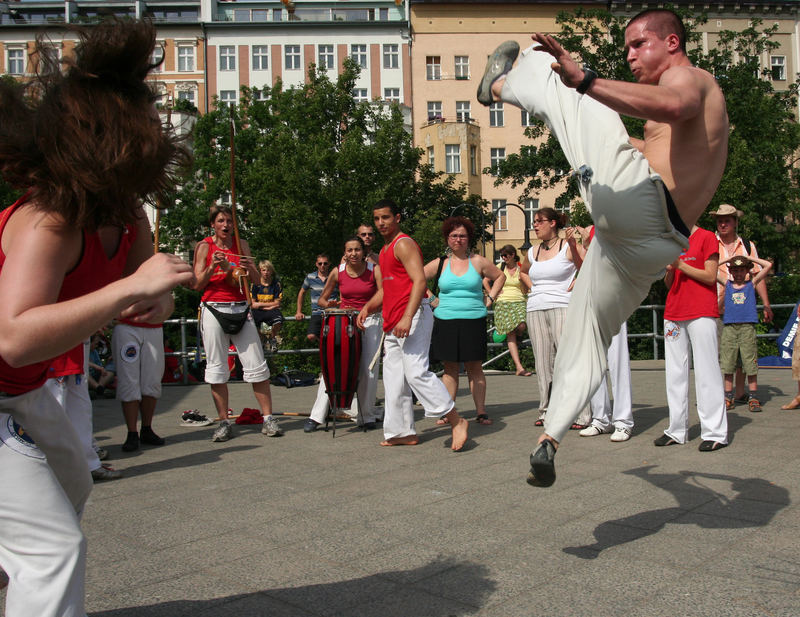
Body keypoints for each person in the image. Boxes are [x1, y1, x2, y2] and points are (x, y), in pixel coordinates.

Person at [477, 8, 729, 486]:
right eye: (628, 47)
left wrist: (586, 80)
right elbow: (644, 140)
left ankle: (500, 87)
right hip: (656, 245)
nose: (630, 55)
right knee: (586, 326)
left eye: (639, 44)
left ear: (672, 43)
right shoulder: (680, 113)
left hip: (643, 209)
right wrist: (592, 137)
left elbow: (674, 107)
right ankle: (550, 438)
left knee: (577, 96)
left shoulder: (692, 80)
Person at [0, 19, 194, 616]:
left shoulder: (129, 213)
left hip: (24, 393)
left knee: (72, 484)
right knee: (53, 547)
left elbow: (144, 302)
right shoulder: (47, 220)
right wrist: (131, 290)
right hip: (11, 381)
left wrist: (156, 298)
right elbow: (12, 337)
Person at [358, 199, 469, 450]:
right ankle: (401, 432)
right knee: (394, 378)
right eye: (376, 219)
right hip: (393, 320)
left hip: (413, 314)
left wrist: (408, 316)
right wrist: (367, 307)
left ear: (397, 218)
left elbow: (420, 282)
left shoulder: (403, 244)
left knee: (416, 371)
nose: (380, 223)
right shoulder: (385, 250)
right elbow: (386, 289)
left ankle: (456, 420)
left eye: (385, 217)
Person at [193, 206, 283, 442]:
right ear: (213, 224)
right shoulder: (204, 246)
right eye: (221, 221)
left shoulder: (241, 245)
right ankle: (223, 421)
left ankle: (268, 418)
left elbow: (256, 281)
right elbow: (196, 283)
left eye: (230, 221)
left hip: (241, 307)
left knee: (257, 364)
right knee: (216, 367)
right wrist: (213, 265)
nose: (226, 225)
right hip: (213, 307)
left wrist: (247, 267)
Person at [425, 216, 505, 426]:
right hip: (446, 320)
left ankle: (481, 411)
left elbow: (500, 277)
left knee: (475, 367)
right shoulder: (440, 263)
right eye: (454, 235)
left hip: (474, 319)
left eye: (462, 235)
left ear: (469, 238)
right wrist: (432, 299)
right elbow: (415, 278)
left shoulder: (478, 261)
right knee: (450, 368)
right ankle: (448, 412)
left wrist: (491, 298)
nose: (458, 239)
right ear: (447, 238)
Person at [657, 226, 728, 451]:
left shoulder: (706, 237)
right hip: (674, 311)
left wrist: (680, 265)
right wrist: (670, 270)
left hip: (701, 311)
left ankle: (715, 432)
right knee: (675, 373)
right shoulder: (671, 239)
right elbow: (670, 283)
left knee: (707, 371)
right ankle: (676, 430)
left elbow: (710, 276)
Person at [519, 208, 588, 428]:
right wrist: (533, 289)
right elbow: (523, 272)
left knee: (567, 360)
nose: (535, 225)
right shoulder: (533, 251)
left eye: (540, 221)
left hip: (562, 306)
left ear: (553, 223)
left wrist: (575, 249)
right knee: (542, 361)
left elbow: (586, 268)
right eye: (534, 221)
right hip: (536, 308)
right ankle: (547, 410)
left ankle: (581, 413)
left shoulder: (567, 246)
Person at [306, 236, 383, 431]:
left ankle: (366, 416)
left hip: (370, 321)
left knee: (368, 370)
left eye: (357, 250)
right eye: (349, 250)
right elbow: (322, 300)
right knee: (333, 367)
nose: (353, 254)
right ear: (344, 253)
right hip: (344, 322)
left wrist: (368, 309)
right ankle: (317, 416)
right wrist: (331, 304)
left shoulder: (375, 270)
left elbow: (385, 295)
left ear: (363, 252)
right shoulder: (337, 272)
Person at [576, 226, 634, 442]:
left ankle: (623, 421)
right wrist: (580, 246)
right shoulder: (592, 230)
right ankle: (600, 419)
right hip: (593, 301)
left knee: (618, 363)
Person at [712, 204, 773, 405]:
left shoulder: (747, 245)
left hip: (741, 312)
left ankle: (739, 393)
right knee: (722, 353)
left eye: (727, 220)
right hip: (715, 307)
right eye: (720, 220)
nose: (723, 224)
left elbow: (758, 276)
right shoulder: (710, 242)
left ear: (735, 222)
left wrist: (766, 304)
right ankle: (721, 394)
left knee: (742, 354)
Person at [716, 254, 773, 412]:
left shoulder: (751, 284)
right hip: (730, 327)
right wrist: (727, 260)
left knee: (750, 362)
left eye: (742, 270)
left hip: (747, 327)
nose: (738, 273)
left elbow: (767, 266)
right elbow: (712, 268)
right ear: (731, 272)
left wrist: (749, 258)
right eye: (735, 270)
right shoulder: (727, 284)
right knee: (728, 363)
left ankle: (753, 396)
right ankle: (728, 396)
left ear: (748, 270)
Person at [484, 244, 532, 377]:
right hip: (502, 302)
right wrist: (492, 294)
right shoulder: (500, 268)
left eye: (505, 255)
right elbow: (485, 281)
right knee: (511, 332)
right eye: (502, 256)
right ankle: (519, 367)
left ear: (512, 255)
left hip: (519, 301)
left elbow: (526, 288)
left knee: (521, 325)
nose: (503, 258)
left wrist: (523, 281)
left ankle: (511, 333)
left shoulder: (521, 268)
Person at [295, 254, 337, 343]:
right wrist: (299, 311)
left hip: (333, 312)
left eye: (325, 263)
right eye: (320, 263)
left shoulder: (335, 276)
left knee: (337, 337)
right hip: (317, 312)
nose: (322, 266)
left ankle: (328, 347)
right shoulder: (310, 277)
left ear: (329, 264)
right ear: (316, 264)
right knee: (311, 336)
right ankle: (324, 345)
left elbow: (345, 292)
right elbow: (302, 293)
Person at [251, 259, 284, 353]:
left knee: (278, 320)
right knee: (250, 321)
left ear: (271, 271)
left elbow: (277, 303)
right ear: (260, 271)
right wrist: (266, 306)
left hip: (271, 309)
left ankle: (273, 338)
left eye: (268, 270)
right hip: (259, 310)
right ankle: (262, 339)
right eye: (263, 270)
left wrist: (260, 304)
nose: (266, 273)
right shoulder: (255, 284)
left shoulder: (276, 284)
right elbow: (252, 304)